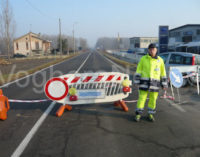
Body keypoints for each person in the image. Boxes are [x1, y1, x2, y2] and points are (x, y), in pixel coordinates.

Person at [134, 43, 168, 122]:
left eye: (154, 49)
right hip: (144, 83)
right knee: (142, 99)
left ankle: (150, 114)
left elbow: (163, 73)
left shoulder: (160, 60)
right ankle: (138, 114)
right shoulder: (143, 59)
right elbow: (138, 70)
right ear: (148, 50)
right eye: (151, 49)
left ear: (156, 50)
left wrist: (164, 84)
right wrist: (136, 81)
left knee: (153, 99)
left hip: (155, 84)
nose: (152, 51)